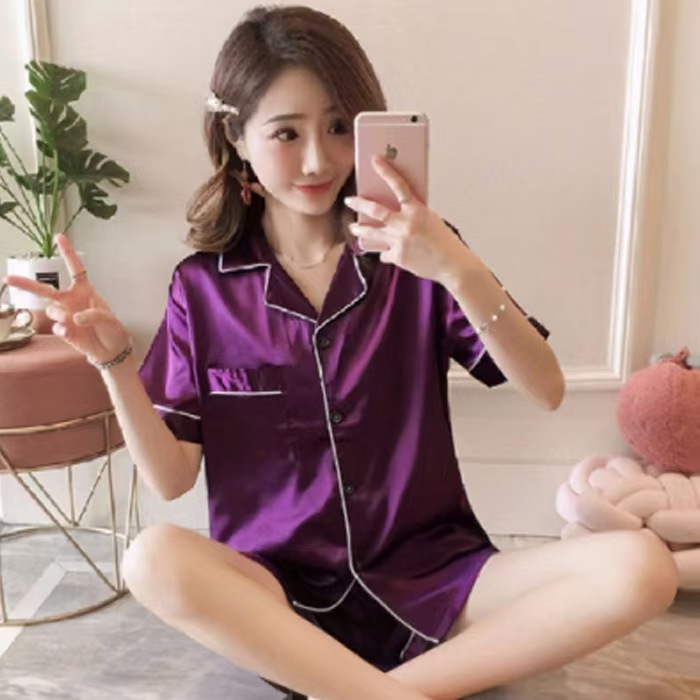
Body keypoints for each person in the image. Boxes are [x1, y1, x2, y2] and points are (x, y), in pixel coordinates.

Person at [4, 6, 678, 700]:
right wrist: (115, 362)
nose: (318, 160)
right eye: (286, 133)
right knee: (151, 558)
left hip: (439, 580)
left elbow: (546, 388)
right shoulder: (202, 289)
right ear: (237, 138)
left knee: (642, 566)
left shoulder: (420, 258)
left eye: (337, 127)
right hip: (279, 603)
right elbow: (171, 480)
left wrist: (457, 267)